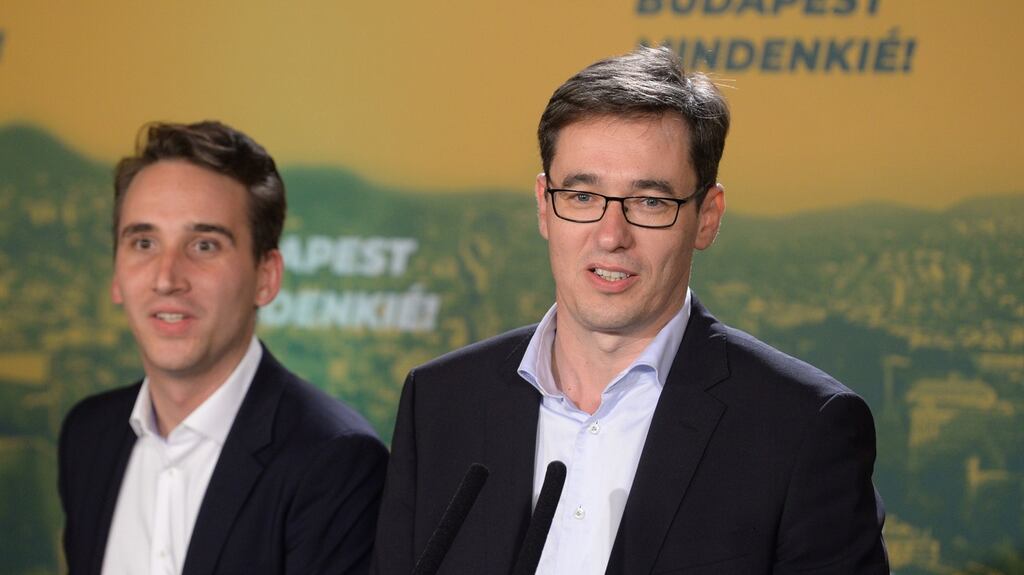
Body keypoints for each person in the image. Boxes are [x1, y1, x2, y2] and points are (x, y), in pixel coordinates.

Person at [373, 47, 888, 574]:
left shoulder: (800, 428)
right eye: (580, 195)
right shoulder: (440, 404)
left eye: (650, 202)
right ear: (543, 206)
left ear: (707, 218)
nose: (611, 236)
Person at [58, 121, 387, 574]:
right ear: (116, 275)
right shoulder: (88, 435)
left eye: (205, 244)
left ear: (266, 277)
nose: (167, 278)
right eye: (144, 242)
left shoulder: (334, 462)